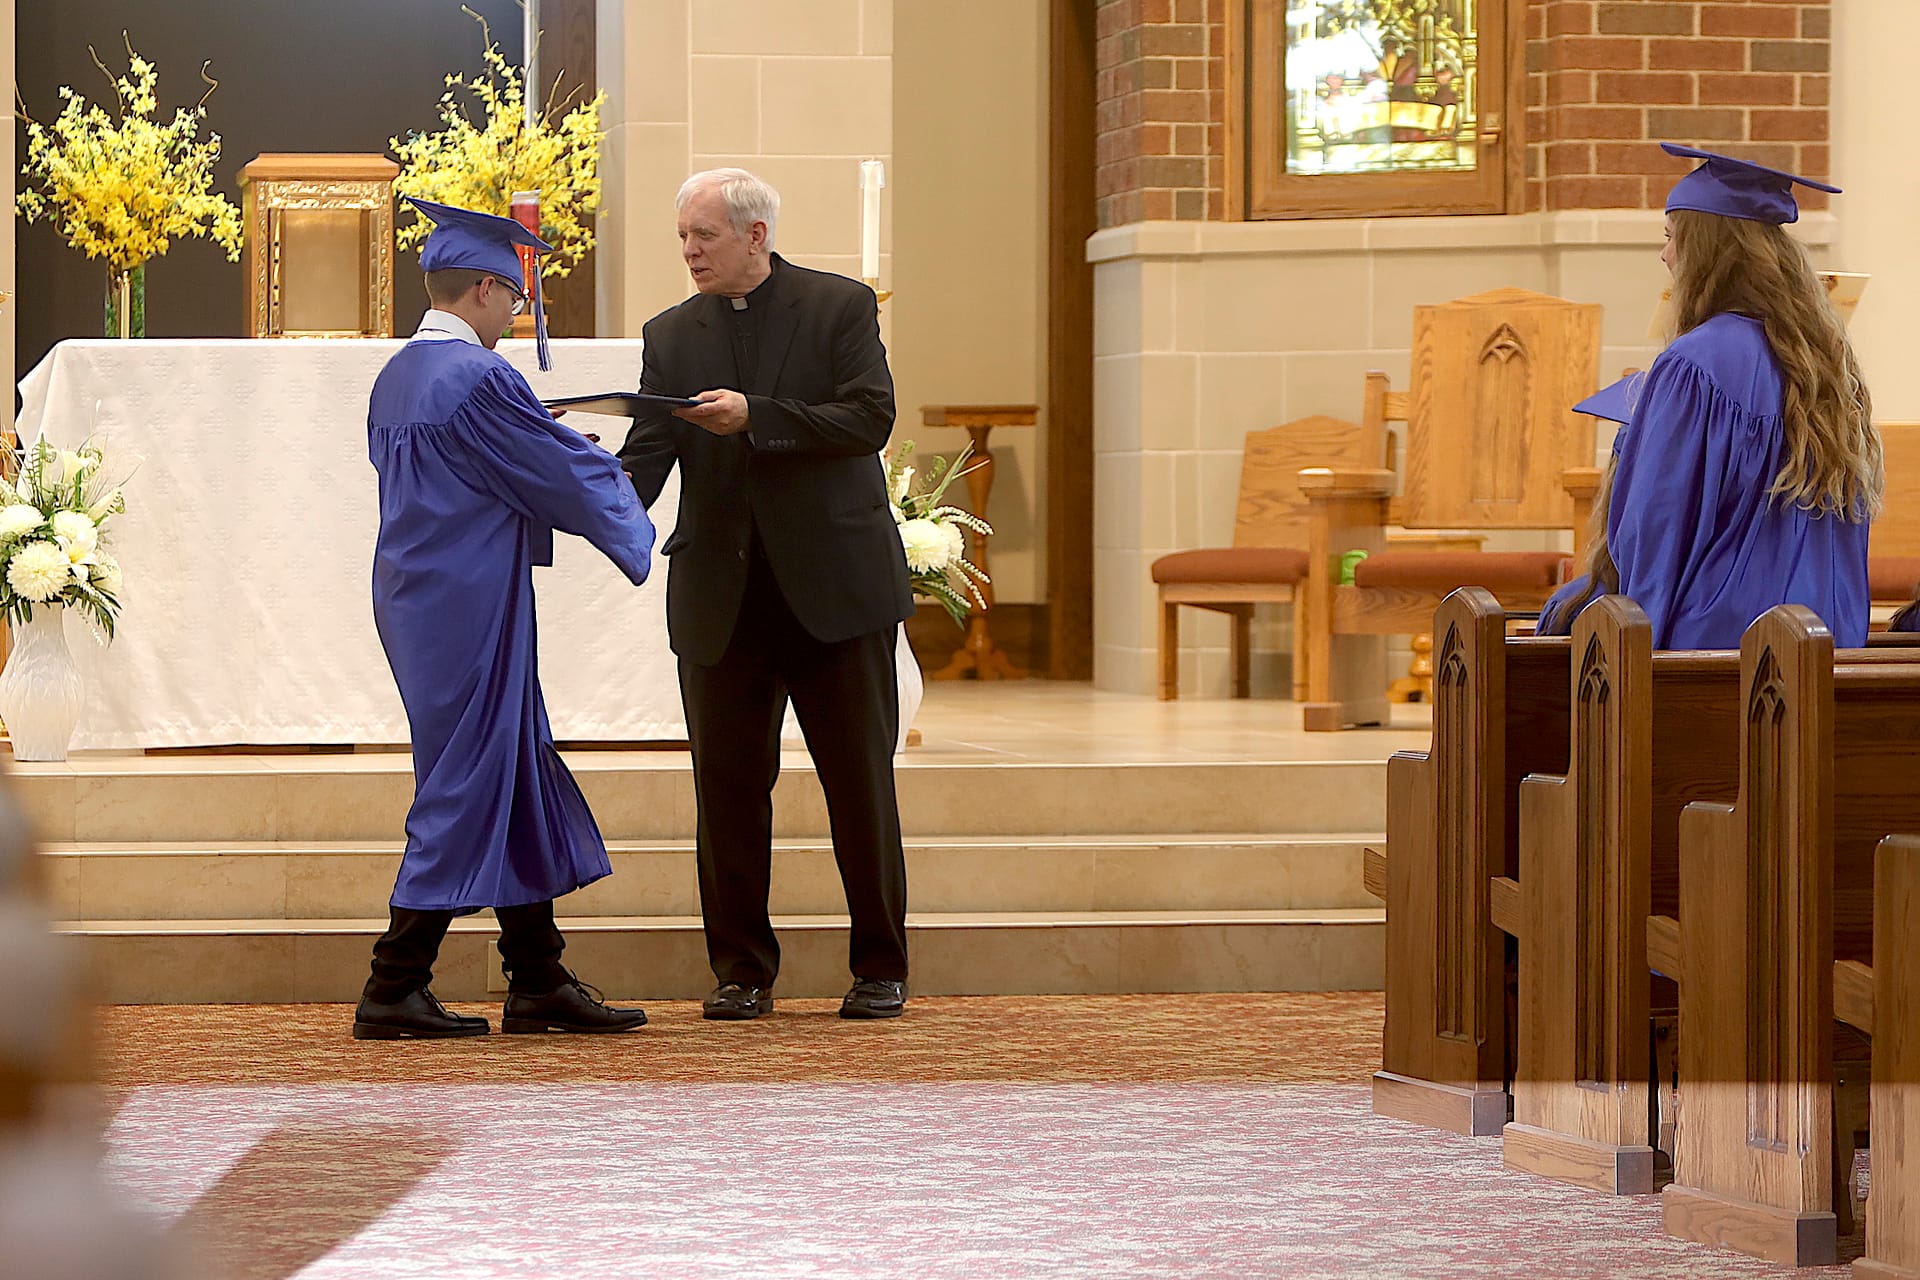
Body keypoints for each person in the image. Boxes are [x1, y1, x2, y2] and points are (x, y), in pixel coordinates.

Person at [617, 168, 914, 1021]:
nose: (688, 251)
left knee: (860, 785)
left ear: (755, 235)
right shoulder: (670, 333)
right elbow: (647, 456)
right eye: (682, 236)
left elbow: (868, 418)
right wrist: (577, 493)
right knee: (729, 792)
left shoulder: (838, 308)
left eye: (702, 236)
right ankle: (742, 971)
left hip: (835, 591)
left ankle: (880, 964)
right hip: (723, 595)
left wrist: (759, 417)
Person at [354, 198, 655, 1039]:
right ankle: (393, 980)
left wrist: (530, 434)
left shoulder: (401, 373)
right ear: (486, 287)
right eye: (516, 299)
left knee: (508, 764)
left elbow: (476, 465)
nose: (516, 317)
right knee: (467, 778)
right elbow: (550, 471)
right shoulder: (480, 377)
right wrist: (609, 475)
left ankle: (536, 975)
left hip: (424, 595)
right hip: (469, 600)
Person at [1536, 143, 1881, 648]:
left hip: (1723, 640)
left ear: (1708, 251)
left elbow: (1655, 525)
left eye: (1672, 236)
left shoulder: (1697, 364)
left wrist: (1625, 628)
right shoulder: (1827, 366)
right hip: (1827, 636)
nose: (1665, 254)